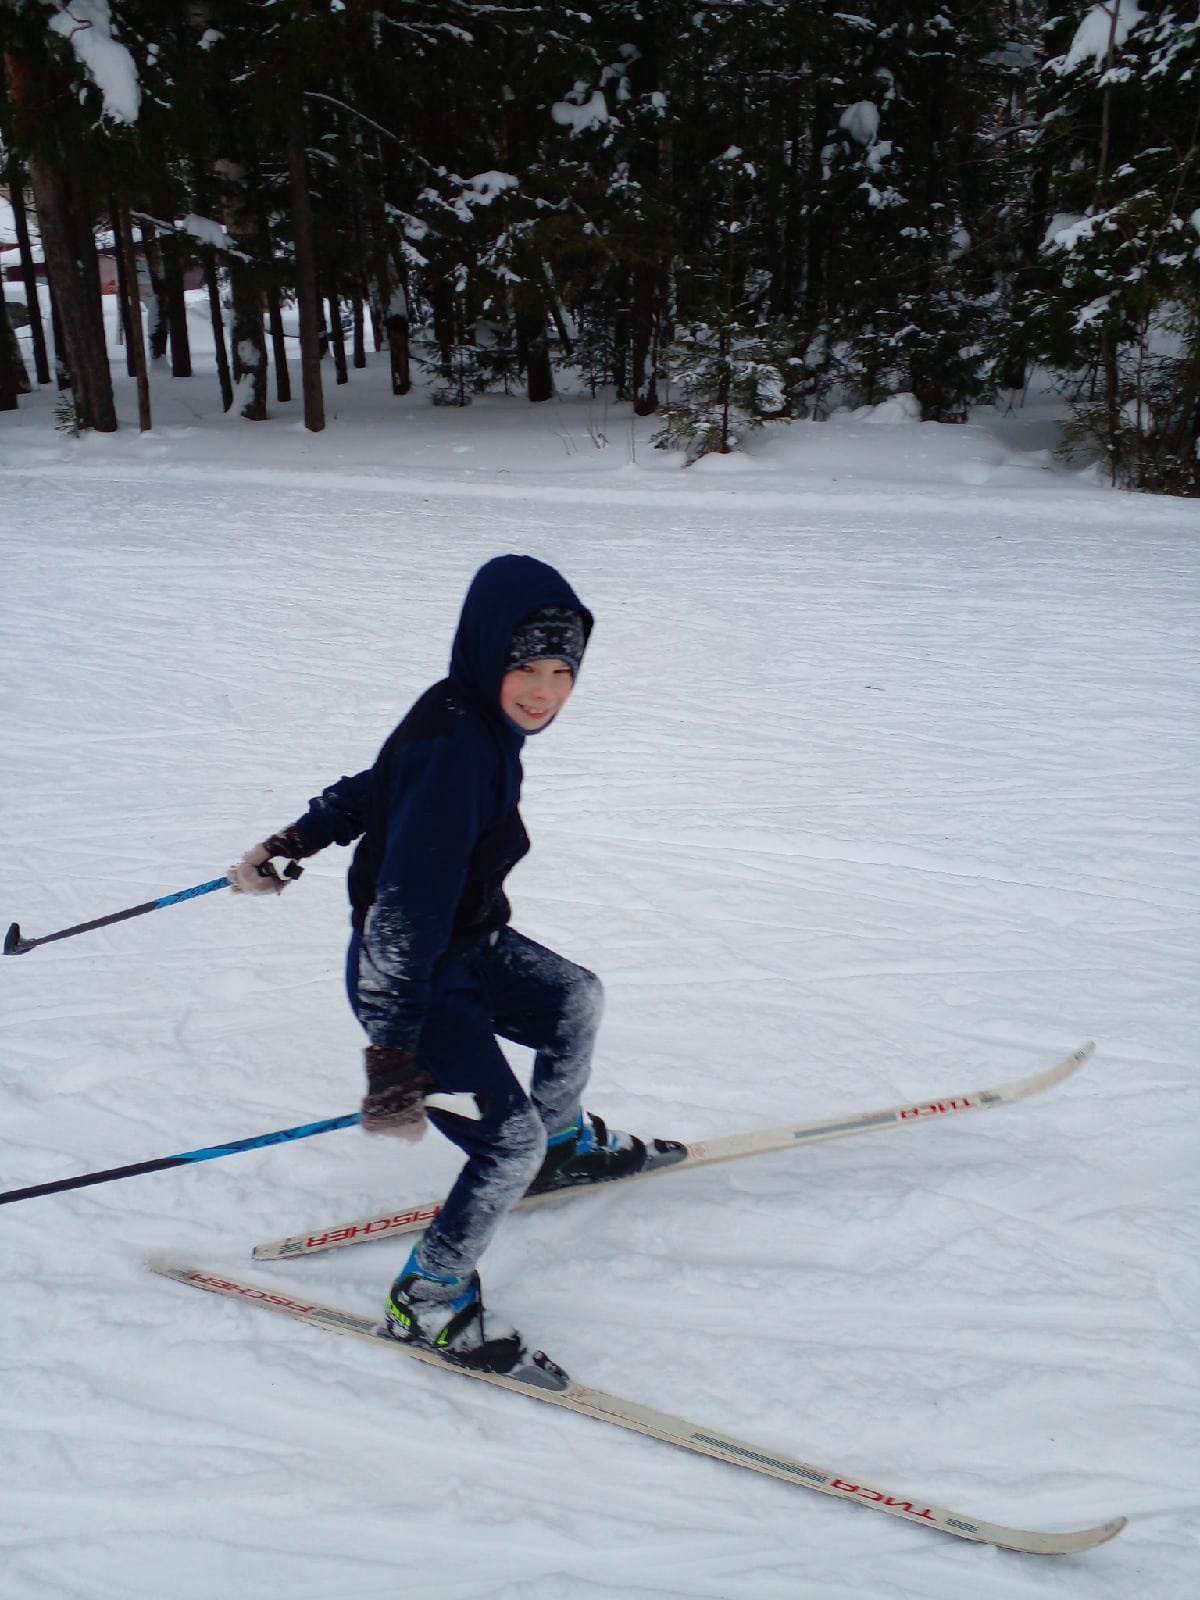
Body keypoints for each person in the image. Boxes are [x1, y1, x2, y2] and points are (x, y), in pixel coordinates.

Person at [230, 554, 682, 1383]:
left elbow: (380, 782)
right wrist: (395, 1055)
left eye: (562, 672)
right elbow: (402, 918)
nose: (543, 691)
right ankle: (430, 1295)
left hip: (465, 946)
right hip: (415, 979)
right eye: (526, 668)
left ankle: (562, 1145)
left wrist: (297, 837)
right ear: (487, 651)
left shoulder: (458, 710)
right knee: (503, 1146)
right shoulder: (459, 749)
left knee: (573, 998)